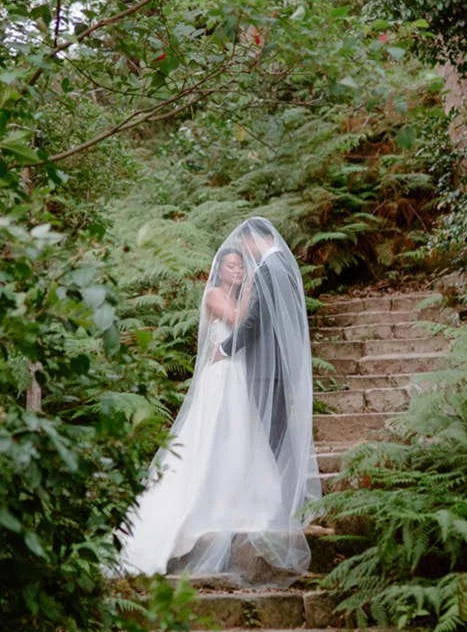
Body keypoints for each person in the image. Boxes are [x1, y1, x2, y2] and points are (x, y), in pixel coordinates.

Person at [118, 218, 319, 584]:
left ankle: (256, 498)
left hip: (239, 374)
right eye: (231, 265)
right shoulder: (215, 294)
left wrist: (250, 289)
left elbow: (253, 319)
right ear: (218, 269)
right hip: (221, 374)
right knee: (213, 436)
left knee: (245, 436)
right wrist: (250, 291)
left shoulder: (261, 275)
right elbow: (241, 318)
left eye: (241, 264)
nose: (239, 268)